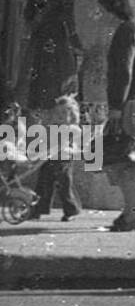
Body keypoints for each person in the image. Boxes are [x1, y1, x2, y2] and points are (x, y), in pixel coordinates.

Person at [97, 0, 135, 232]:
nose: (99, 16)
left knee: (126, 157)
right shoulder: (133, 31)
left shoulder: (124, 33)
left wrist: (115, 107)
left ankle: (132, 214)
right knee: (133, 155)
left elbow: (123, 72)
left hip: (131, 101)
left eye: (102, 11)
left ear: (112, 11)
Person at [29, 93, 82, 222]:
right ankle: (37, 210)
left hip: (63, 160)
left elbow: (77, 148)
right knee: (42, 184)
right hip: (48, 159)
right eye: (58, 112)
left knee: (64, 185)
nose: (60, 115)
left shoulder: (74, 130)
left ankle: (71, 210)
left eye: (65, 112)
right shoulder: (50, 128)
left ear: (72, 115)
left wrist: (68, 149)